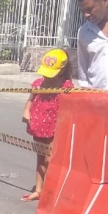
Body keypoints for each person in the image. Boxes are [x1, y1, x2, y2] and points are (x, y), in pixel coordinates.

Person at [21, 48, 73, 202]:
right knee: (41, 159)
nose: (46, 77)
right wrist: (26, 111)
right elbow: (31, 99)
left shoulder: (66, 86)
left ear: (62, 70)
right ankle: (38, 190)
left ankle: (51, 192)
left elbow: (69, 107)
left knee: (51, 160)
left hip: (55, 126)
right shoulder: (38, 83)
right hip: (38, 124)